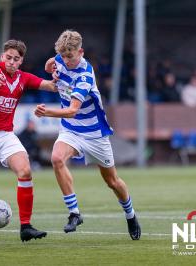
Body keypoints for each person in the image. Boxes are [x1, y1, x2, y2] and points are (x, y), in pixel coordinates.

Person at [35, 30, 141, 240]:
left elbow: (72, 109)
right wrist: (52, 69)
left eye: (70, 56)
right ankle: (74, 213)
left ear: (80, 51)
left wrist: (47, 112)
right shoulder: (61, 57)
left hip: (94, 134)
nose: (66, 60)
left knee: (112, 182)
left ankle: (130, 215)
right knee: (56, 158)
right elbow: (50, 63)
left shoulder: (84, 76)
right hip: (71, 129)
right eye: (63, 56)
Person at [0, 40, 56, 242]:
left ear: (21, 61)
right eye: (8, 57)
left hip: (5, 135)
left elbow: (49, 86)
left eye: (16, 59)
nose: (11, 62)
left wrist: (59, 79)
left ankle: (26, 226)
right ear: (2, 57)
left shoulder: (23, 78)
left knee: (25, 171)